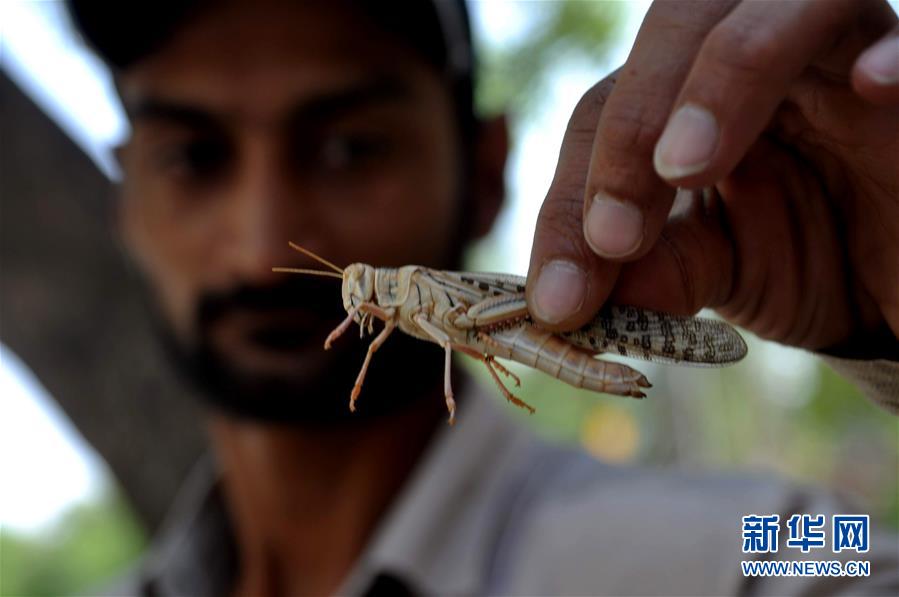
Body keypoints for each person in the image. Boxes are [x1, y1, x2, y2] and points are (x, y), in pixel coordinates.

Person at [66, 0, 898, 595]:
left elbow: (860, 561)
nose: (259, 242)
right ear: (122, 202)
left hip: (509, 318)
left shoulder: (760, 546)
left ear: (488, 171)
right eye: (191, 157)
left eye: (351, 147)